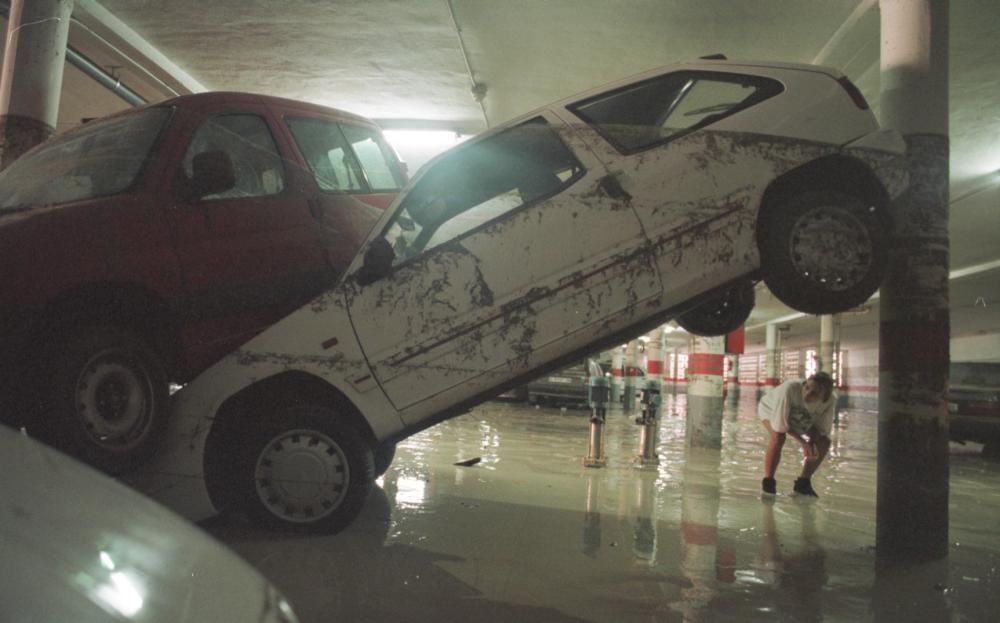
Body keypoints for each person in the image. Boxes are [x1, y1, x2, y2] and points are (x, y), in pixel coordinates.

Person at [758, 372, 836, 497]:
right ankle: (768, 482)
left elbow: (821, 429)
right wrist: (803, 443)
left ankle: (803, 483)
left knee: (824, 442)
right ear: (805, 383)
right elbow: (781, 424)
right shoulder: (790, 388)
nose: (807, 394)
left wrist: (811, 444)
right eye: (807, 388)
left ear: (825, 396)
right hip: (771, 410)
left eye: (814, 393)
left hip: (801, 417)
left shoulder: (830, 400)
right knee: (778, 437)